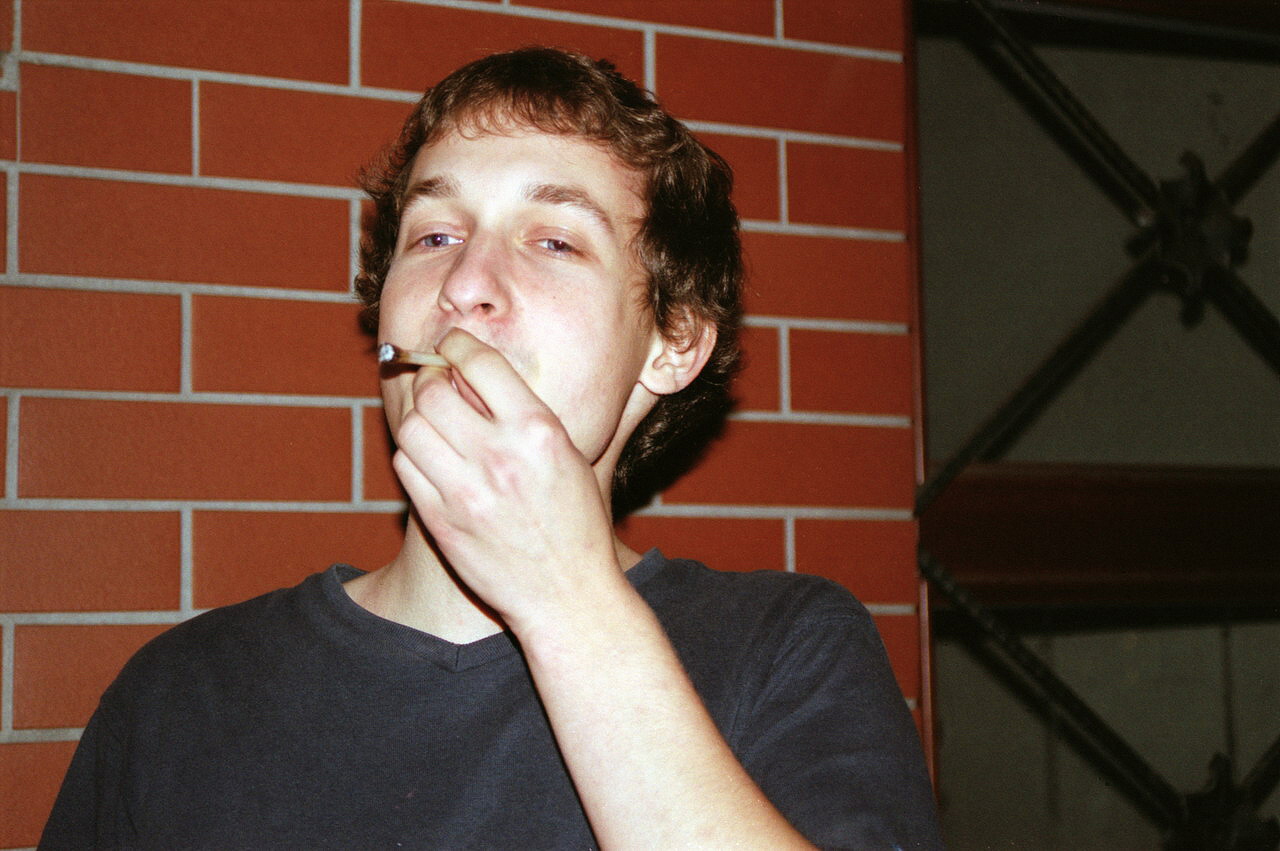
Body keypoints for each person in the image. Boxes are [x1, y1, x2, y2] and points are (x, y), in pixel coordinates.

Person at [40, 47, 943, 849]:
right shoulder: (179, 695)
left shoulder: (787, 650)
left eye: (553, 240)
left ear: (673, 344)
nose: (465, 284)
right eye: (434, 235)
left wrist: (565, 597)